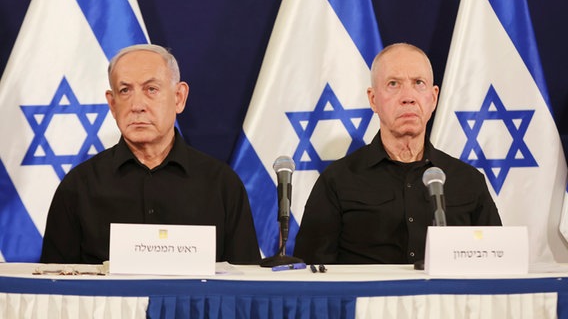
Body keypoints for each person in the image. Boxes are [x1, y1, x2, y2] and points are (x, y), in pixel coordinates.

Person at [40, 44, 260, 265]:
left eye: (151, 89)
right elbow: (54, 290)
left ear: (179, 97)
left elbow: (246, 285)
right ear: (112, 104)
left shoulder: (221, 185)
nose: (137, 105)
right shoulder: (78, 187)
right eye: (125, 90)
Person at [293, 43, 502, 265]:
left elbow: (496, 264)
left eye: (418, 83)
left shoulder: (468, 181)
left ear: (433, 98)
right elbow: (311, 273)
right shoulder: (337, 180)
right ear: (373, 99)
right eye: (393, 84)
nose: (408, 97)